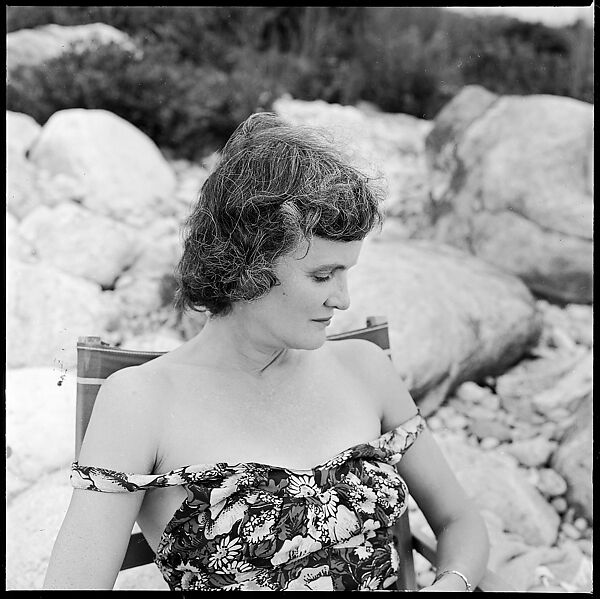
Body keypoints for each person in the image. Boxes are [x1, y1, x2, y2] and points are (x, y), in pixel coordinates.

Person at [44, 112, 489, 591]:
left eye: (346, 272)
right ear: (245, 266)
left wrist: (453, 584)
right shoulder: (141, 401)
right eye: (322, 275)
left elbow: (460, 520)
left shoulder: (365, 368)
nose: (343, 299)